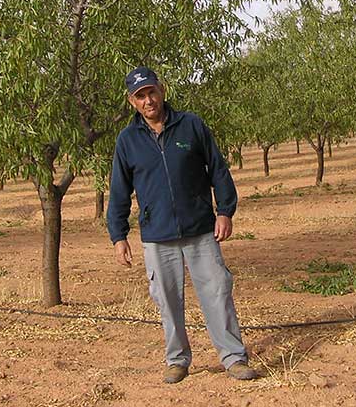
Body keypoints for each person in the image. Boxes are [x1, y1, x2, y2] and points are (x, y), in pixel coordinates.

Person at [108, 66, 260, 383]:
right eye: (140, 96)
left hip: (201, 228)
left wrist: (225, 211)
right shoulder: (127, 140)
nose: (148, 100)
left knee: (218, 292)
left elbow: (217, 168)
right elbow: (120, 189)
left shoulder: (191, 125)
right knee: (166, 300)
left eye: (151, 91)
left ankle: (233, 358)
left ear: (161, 90)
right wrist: (118, 234)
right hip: (156, 235)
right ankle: (177, 360)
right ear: (132, 101)